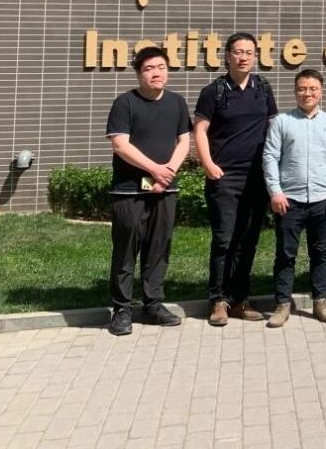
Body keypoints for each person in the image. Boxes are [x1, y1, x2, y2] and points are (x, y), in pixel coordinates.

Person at [193, 32, 278, 327]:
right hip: (225, 177)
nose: (244, 57)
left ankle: (240, 299)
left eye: (249, 52)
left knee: (248, 240)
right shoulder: (214, 91)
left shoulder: (263, 88)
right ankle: (218, 300)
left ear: (255, 56)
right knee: (224, 240)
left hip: (256, 178)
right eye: (238, 52)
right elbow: (200, 130)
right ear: (228, 56)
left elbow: (273, 127)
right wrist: (208, 164)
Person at [105, 46, 191, 336]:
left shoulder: (177, 103)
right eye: (149, 68)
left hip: (165, 189)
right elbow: (120, 145)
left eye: (161, 67)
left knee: (158, 248)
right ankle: (122, 309)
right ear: (139, 73)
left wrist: (168, 173)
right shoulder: (125, 103)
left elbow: (184, 141)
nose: (156, 73)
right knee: (126, 249)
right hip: (129, 191)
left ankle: (153, 304)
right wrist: (155, 170)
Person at [262, 69, 326, 328]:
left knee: (321, 253)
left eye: (312, 89)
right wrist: (275, 191)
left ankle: (320, 301)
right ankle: (282, 304)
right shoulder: (282, 122)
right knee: (285, 254)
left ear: (321, 92)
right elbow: (270, 157)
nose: (307, 93)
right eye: (302, 88)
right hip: (289, 201)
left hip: (322, 200)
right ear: (295, 91)